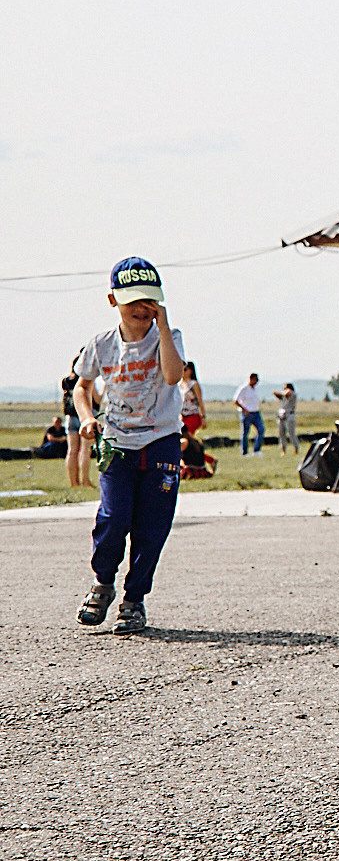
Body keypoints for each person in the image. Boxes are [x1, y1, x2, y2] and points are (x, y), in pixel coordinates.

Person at [74, 257, 186, 636]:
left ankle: (134, 600)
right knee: (113, 519)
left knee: (152, 527)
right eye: (132, 300)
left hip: (161, 442)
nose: (142, 308)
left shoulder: (168, 338)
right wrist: (88, 416)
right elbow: (82, 386)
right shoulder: (102, 345)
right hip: (118, 444)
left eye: (149, 301)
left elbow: (172, 376)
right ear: (113, 301)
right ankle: (103, 583)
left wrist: (165, 326)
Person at [62, 363, 94, 489]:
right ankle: (85, 480)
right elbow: (95, 397)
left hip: (70, 417)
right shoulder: (85, 380)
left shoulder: (66, 381)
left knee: (72, 451)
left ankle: (73, 482)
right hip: (84, 416)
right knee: (85, 450)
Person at [233, 372, 264, 455]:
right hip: (247, 413)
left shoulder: (255, 389)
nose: (256, 382)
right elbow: (236, 401)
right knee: (245, 433)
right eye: (255, 380)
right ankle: (245, 451)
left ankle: (256, 450)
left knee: (261, 430)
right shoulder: (243, 388)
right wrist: (244, 410)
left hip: (256, 413)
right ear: (251, 379)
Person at [179, 359, 206, 437]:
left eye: (185, 369)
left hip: (192, 415)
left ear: (191, 371)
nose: (183, 372)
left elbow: (200, 400)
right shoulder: (180, 385)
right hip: (182, 416)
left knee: (188, 436)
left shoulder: (194, 384)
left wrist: (203, 416)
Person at [274, 382, 299, 453]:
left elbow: (288, 392)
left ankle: (295, 448)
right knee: (281, 433)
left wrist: (283, 393)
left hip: (290, 415)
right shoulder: (283, 397)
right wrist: (282, 393)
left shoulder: (293, 395)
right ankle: (283, 449)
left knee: (291, 433)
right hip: (282, 415)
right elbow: (275, 393)